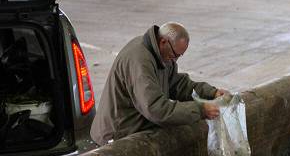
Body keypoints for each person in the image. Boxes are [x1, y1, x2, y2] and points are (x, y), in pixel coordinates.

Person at [90, 22, 226, 143]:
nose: (175, 59)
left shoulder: (164, 55)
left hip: (136, 125)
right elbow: (156, 109)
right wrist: (200, 110)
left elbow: (178, 85)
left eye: (180, 56)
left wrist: (211, 93)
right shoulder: (140, 61)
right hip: (117, 134)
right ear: (163, 42)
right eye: (175, 54)